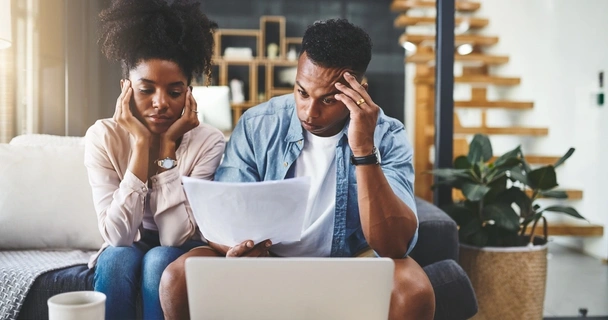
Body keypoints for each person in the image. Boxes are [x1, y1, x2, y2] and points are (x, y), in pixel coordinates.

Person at [160, 19, 435, 320]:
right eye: (302, 92)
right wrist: (237, 248)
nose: (309, 112)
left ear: (358, 91)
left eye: (328, 100)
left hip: (348, 265)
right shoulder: (259, 124)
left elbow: (395, 245)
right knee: (177, 278)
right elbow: (224, 221)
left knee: (414, 289)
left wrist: (363, 150)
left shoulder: (388, 135)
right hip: (267, 261)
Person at [84, 0, 225, 319]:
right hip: (127, 244)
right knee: (117, 258)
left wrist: (167, 149)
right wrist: (141, 145)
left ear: (189, 94)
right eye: (146, 89)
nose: (160, 103)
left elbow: (175, 237)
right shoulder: (103, 137)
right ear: (126, 89)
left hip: (181, 245)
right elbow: (118, 236)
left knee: (161, 259)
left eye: (174, 92)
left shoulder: (208, 142)